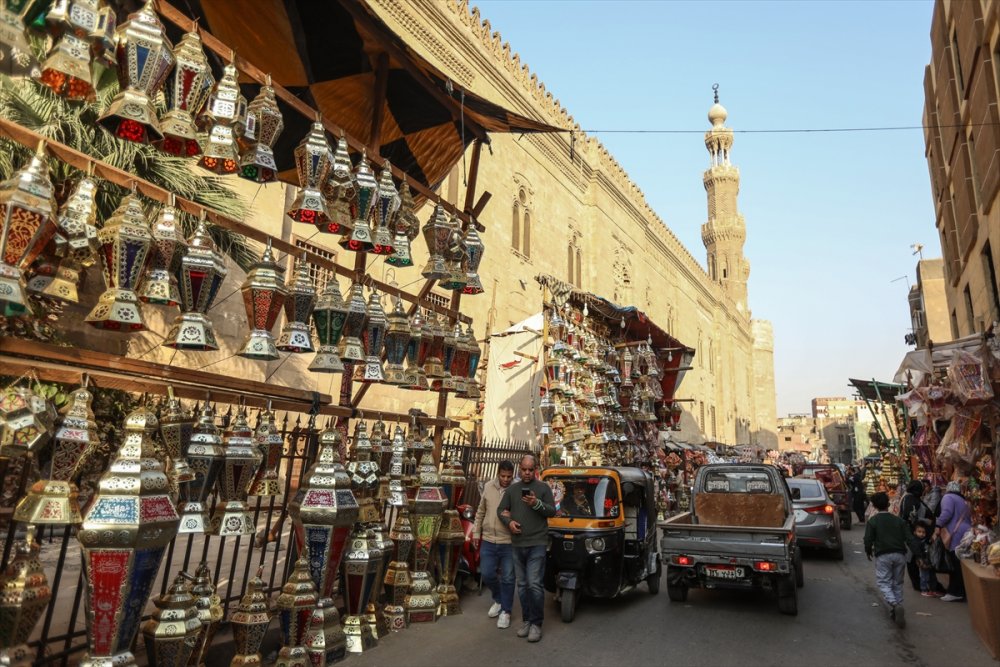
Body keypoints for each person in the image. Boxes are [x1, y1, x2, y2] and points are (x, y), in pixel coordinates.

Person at [497, 454, 556, 643]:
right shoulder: (513, 490)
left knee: (534, 584)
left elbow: (552, 511)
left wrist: (536, 503)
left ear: (535, 469)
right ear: (519, 469)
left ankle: (536, 624)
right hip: (517, 544)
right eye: (524, 469)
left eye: (531, 469)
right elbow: (501, 510)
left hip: (537, 543)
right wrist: (509, 522)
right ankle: (527, 621)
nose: (527, 473)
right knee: (522, 586)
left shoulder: (543, 488)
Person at [473, 460, 515, 629]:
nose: (505, 479)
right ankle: (498, 599)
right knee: (487, 573)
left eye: (509, 476)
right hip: (489, 539)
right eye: (503, 476)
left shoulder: (516, 489)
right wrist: (476, 532)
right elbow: (481, 511)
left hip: (509, 542)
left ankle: (506, 611)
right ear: (498, 473)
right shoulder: (489, 487)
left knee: (508, 578)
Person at [864, 491, 913, 629]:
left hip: (883, 555)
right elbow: (909, 538)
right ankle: (897, 607)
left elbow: (868, 540)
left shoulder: (873, 521)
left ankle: (894, 604)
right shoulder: (899, 521)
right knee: (897, 582)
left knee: (884, 582)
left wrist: (868, 551)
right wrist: (919, 554)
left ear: (874, 506)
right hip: (900, 555)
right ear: (888, 504)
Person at [899, 480, 941, 593]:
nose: (923, 490)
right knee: (914, 558)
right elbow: (911, 517)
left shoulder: (910, 498)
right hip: (914, 535)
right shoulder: (910, 499)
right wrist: (926, 522)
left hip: (916, 534)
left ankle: (924, 583)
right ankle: (920, 584)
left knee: (916, 558)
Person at [936, 480, 972, 602]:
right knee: (961, 563)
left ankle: (955, 592)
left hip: (955, 534)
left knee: (954, 564)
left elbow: (947, 513)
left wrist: (938, 524)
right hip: (966, 532)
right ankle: (962, 591)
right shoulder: (964, 501)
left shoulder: (948, 497)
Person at [910, 519, 943, 597]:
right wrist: (921, 557)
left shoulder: (925, 540)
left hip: (928, 560)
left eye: (923, 532)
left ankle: (933, 589)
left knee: (932, 575)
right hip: (922, 560)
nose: (921, 534)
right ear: (915, 532)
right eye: (919, 532)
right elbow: (916, 551)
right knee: (924, 575)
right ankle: (924, 589)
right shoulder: (915, 541)